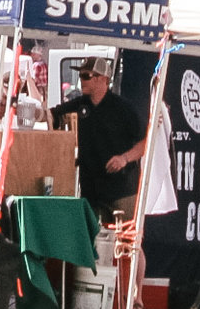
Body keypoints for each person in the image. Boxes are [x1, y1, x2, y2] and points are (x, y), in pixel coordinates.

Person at [49, 58, 146, 225]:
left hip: (121, 190)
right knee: (92, 240)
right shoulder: (79, 105)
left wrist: (124, 159)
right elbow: (49, 114)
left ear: (103, 79)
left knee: (128, 241)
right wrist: (13, 106)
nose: (81, 79)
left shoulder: (123, 108)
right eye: (80, 75)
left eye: (86, 75)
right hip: (90, 190)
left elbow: (145, 142)